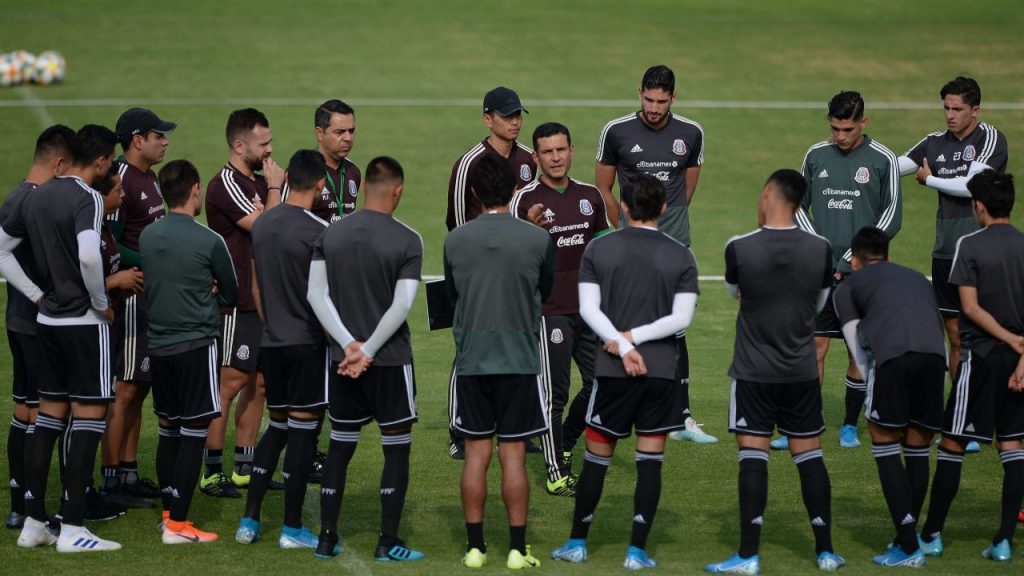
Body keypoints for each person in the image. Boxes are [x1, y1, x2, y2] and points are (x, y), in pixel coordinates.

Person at [551, 174, 697, 571]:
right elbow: (682, 318)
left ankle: (577, 544)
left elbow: (588, 310)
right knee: (650, 460)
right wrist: (639, 340)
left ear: (625, 207)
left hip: (614, 370)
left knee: (597, 458)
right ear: (664, 208)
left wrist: (625, 344)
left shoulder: (599, 250)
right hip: (662, 372)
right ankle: (636, 551)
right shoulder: (682, 254)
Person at [705, 170, 843, 575]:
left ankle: (748, 557)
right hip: (801, 369)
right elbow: (819, 304)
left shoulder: (739, 248)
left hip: (753, 371)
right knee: (810, 455)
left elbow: (736, 294)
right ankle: (826, 551)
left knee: (753, 456)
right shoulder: (821, 248)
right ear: (800, 206)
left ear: (767, 194)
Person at [0, 125, 122, 552]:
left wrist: (36, 295)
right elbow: (89, 254)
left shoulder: (37, 194)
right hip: (83, 323)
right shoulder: (86, 197)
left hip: (47, 322)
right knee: (90, 418)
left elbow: (1, 249)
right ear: (102, 161)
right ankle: (72, 528)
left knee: (48, 418)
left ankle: (34, 522)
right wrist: (100, 299)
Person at [307, 156, 425, 562]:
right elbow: (402, 304)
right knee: (396, 448)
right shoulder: (408, 239)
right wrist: (369, 350)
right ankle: (387, 541)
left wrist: (348, 347)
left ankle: (325, 538)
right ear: (397, 190)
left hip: (342, 363)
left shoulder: (331, 234)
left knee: (339, 448)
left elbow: (315, 295)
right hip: (390, 361)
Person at [594, 64, 715, 444]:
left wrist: (670, 224)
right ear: (639, 93)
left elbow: (687, 186)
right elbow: (603, 186)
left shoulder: (691, 133)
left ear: (673, 98)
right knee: (625, 318)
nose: (655, 108)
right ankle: (622, 407)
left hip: (674, 242)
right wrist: (623, 227)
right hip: (631, 240)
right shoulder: (616, 131)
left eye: (662, 101)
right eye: (649, 99)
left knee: (676, 326)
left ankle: (682, 416)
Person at [445, 153, 553, 569]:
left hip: (473, 361)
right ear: (513, 191)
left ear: (474, 192)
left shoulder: (455, 241)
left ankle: (475, 548)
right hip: (521, 362)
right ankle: (517, 549)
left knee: (476, 456)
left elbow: (453, 295)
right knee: (512, 456)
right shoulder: (537, 239)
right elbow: (541, 291)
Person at [783, 90, 902, 451]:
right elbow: (797, 205)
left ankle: (849, 424)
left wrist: (849, 256)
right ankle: (804, 424)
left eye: (847, 129)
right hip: (819, 273)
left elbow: (891, 216)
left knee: (856, 352)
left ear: (863, 122)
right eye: (835, 128)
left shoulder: (883, 160)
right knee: (814, 348)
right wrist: (821, 250)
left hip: (863, 275)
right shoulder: (816, 155)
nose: (840, 136)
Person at [898, 78, 1008, 457]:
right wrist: (860, 158)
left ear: (975, 110)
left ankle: (991, 417)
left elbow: (973, 184)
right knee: (957, 339)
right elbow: (895, 166)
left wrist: (929, 180)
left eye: (958, 109)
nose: (950, 115)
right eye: (946, 107)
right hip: (946, 254)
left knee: (987, 339)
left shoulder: (991, 138)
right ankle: (964, 419)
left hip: (983, 255)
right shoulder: (934, 141)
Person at [918, 170, 1024, 563]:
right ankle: (1003, 541)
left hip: (980, 358)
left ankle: (931, 534)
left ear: (978, 206)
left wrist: (1010, 340)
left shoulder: (970, 244)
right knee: (1012, 445)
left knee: (952, 443)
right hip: (1018, 364)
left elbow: (970, 308)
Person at [832, 227, 946, 567]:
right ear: (888, 255)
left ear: (854, 260)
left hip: (893, 359)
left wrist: (872, 390)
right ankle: (906, 538)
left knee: (884, 443)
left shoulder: (847, 286)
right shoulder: (916, 278)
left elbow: (857, 348)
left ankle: (908, 545)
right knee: (917, 448)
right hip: (934, 359)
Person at [141, 159, 238, 544]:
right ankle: (179, 525)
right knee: (194, 431)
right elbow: (231, 292)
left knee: (168, 429)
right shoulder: (210, 240)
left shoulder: (148, 236)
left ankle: (168, 514)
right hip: (196, 345)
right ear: (195, 190)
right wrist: (212, 291)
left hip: (159, 347)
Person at [510, 121, 609, 496]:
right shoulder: (524, 200)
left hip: (590, 310)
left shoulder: (591, 196)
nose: (555, 157)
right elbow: (512, 255)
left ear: (571, 151)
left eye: (561, 150)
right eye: (547, 152)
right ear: (536, 157)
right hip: (548, 311)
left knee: (602, 382)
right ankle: (555, 472)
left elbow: (603, 250)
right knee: (555, 394)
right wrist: (528, 228)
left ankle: (566, 439)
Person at [236, 150, 329, 548]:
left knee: (276, 428)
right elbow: (326, 296)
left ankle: (249, 520)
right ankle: (292, 528)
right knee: (304, 434)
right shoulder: (320, 231)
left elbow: (256, 287)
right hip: (307, 343)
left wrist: (272, 324)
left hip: (271, 341)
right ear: (322, 184)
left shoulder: (264, 224)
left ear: (288, 176)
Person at [445, 86, 538, 461]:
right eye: (506, 115)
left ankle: (518, 426)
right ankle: (458, 429)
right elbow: (455, 222)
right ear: (487, 119)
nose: (514, 122)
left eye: (518, 115)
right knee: (470, 346)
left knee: (522, 344)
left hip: (519, 274)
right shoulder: (470, 163)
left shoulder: (531, 159)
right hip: (478, 275)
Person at [202, 107, 285, 497]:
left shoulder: (256, 183)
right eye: (263, 143)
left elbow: (278, 223)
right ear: (239, 145)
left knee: (261, 384)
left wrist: (270, 198)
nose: (270, 150)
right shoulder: (227, 183)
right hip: (237, 303)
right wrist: (273, 190)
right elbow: (269, 226)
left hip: (265, 298)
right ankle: (211, 470)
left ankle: (245, 467)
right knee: (230, 382)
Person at [100, 107, 176, 508]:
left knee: (140, 386)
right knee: (125, 390)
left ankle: (128, 471)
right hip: (130, 298)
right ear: (136, 140)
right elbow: (111, 240)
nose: (165, 141)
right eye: (158, 135)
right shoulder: (122, 178)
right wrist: (153, 261)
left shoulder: (148, 178)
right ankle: (111, 481)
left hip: (148, 295)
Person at [2, 124, 75, 530]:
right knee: (45, 415)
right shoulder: (33, 201)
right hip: (35, 323)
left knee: (24, 411)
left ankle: (19, 503)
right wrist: (38, 296)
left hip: (17, 320)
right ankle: (33, 510)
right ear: (60, 163)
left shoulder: (16, 193)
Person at [278, 99, 360, 225]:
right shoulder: (302, 170)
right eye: (340, 132)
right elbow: (284, 220)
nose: (348, 138)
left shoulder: (353, 170)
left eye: (351, 131)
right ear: (320, 133)